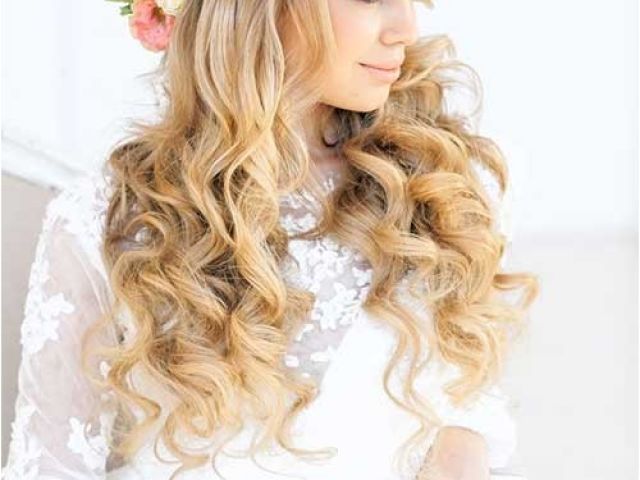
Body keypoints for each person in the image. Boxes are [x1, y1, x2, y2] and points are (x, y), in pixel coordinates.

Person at [2, 0, 539, 479]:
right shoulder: (108, 220)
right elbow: (51, 466)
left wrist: (459, 448)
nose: (406, 28)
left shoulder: (451, 183)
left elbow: (463, 403)